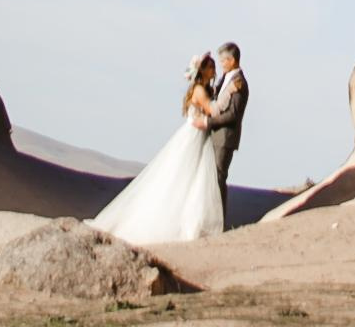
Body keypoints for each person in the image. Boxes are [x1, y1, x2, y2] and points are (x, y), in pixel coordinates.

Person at [91, 51, 225, 244]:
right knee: (184, 178)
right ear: (203, 71)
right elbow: (213, 110)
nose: (214, 71)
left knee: (191, 179)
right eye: (212, 67)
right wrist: (224, 99)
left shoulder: (201, 89)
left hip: (196, 136)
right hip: (194, 137)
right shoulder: (200, 91)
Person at [202, 42, 248, 192]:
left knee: (218, 178)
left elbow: (233, 115)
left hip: (224, 138)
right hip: (216, 135)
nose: (221, 64)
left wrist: (208, 122)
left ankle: (219, 214)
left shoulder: (239, 82)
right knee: (211, 177)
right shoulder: (225, 78)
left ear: (232, 60)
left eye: (223, 61)